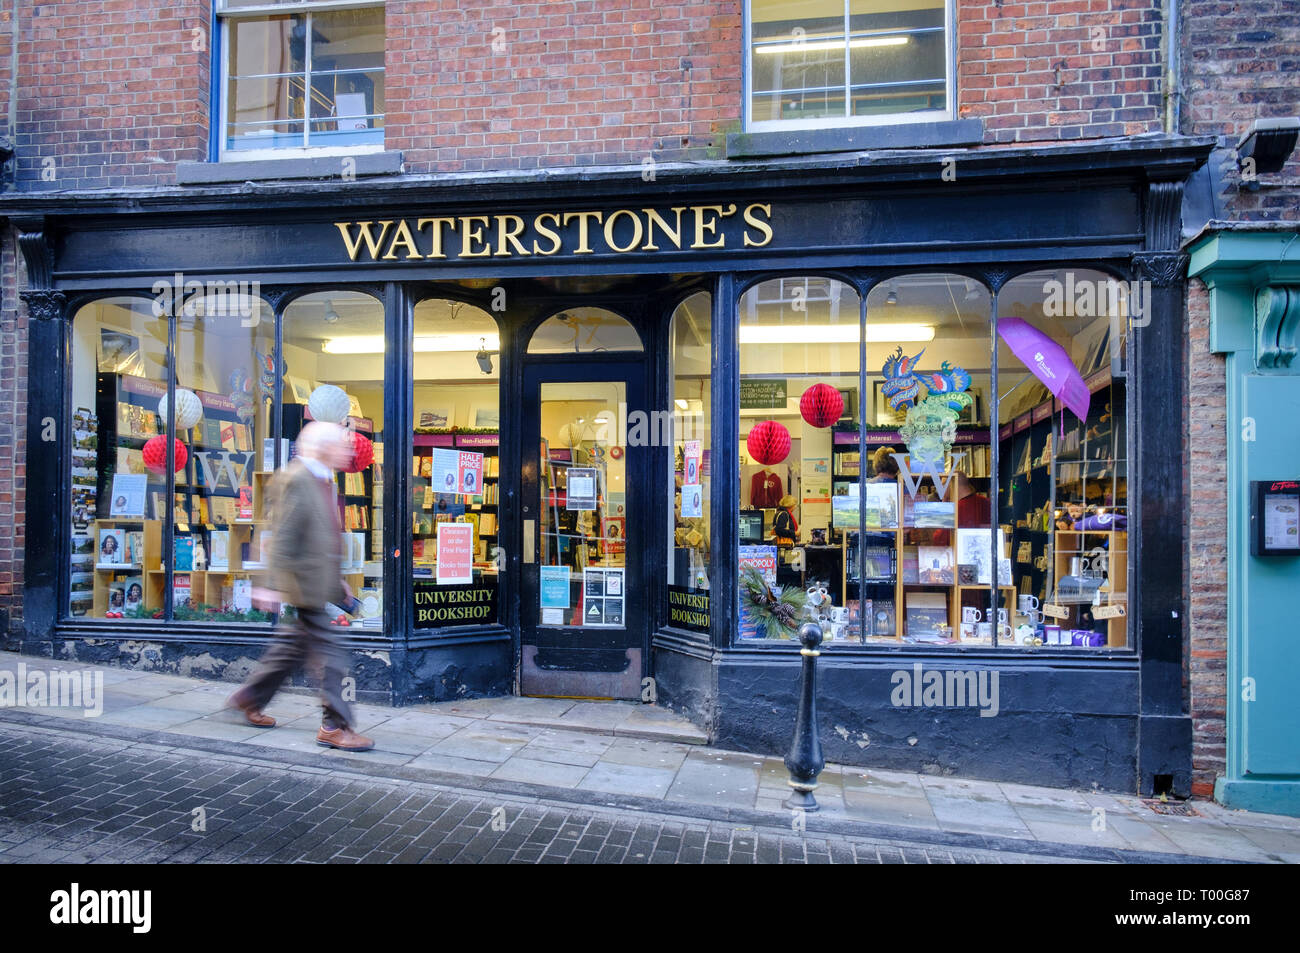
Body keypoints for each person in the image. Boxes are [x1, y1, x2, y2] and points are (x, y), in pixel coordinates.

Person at [225, 421, 373, 751]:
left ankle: (249, 698)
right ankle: (334, 726)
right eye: (341, 445)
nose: (348, 451)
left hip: (316, 585)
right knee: (333, 658)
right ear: (323, 447)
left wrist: (337, 584)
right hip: (303, 586)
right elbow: (282, 538)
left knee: (289, 651)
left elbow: (317, 539)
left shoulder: (321, 479)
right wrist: (269, 586)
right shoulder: (297, 479)